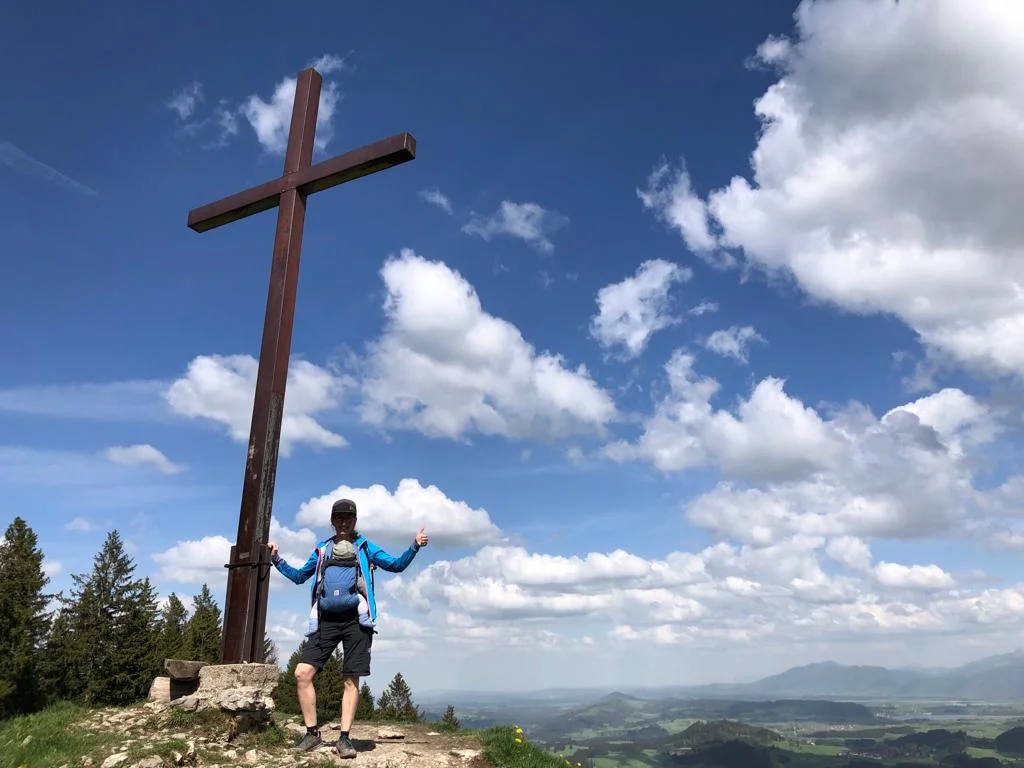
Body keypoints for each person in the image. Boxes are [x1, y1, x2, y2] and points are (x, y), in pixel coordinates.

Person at [267, 498, 429, 758]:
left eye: (348, 518)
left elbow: (396, 565)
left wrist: (414, 546)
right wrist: (276, 558)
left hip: (357, 620)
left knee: (351, 679)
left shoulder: (365, 547)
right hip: (325, 619)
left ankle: (344, 739)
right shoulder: (322, 549)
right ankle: (312, 734)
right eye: (339, 518)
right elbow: (300, 576)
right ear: (333, 522)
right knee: (302, 673)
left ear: (355, 521)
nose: (343, 522)